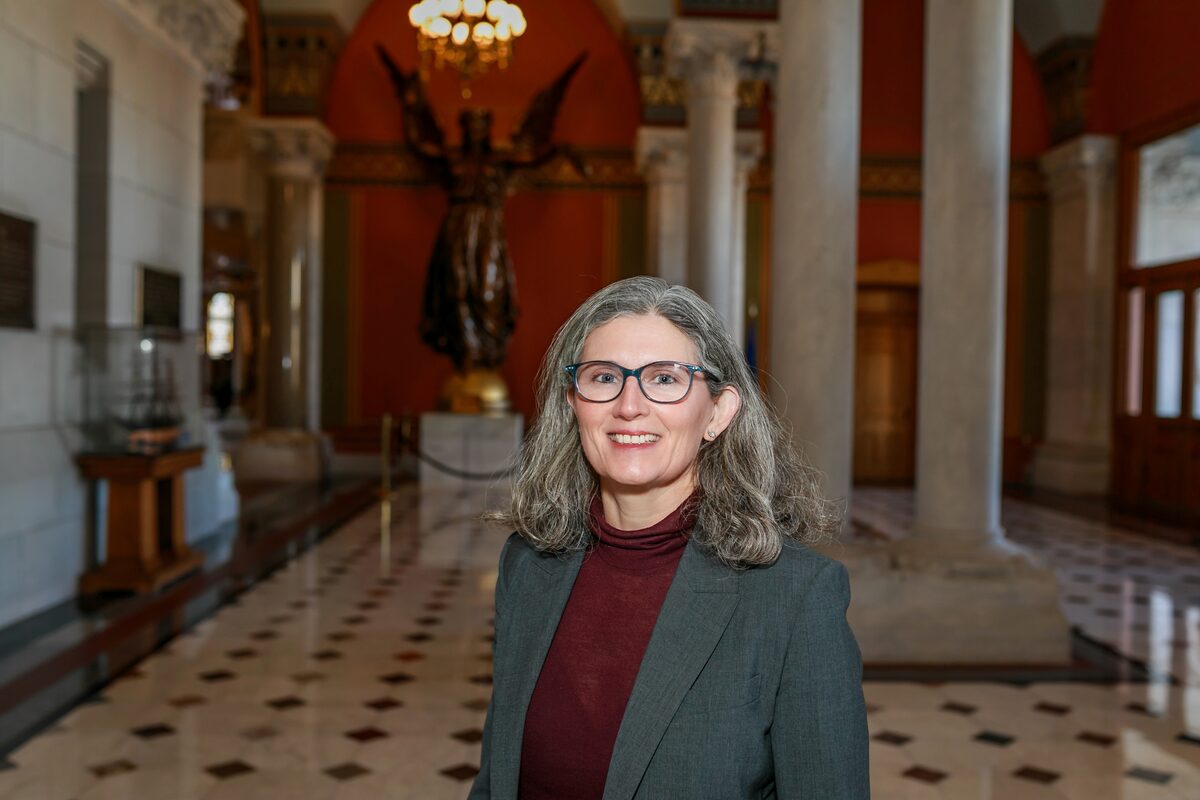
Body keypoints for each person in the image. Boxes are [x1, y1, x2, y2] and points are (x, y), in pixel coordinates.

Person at [470, 276, 870, 799]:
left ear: (718, 412)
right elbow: (497, 778)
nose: (629, 405)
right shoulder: (527, 564)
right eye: (604, 377)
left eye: (664, 379)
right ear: (573, 402)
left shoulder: (795, 597)